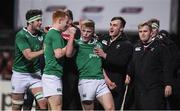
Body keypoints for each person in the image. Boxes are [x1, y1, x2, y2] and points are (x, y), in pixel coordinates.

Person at [66, 19, 115, 111]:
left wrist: (107, 80)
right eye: (83, 31)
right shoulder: (77, 43)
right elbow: (68, 54)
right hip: (86, 81)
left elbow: (99, 64)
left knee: (111, 108)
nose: (85, 34)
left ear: (93, 32)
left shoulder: (98, 45)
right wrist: (72, 35)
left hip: (100, 81)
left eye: (88, 32)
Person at [126, 22, 173, 109]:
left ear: (151, 33)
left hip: (155, 89)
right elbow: (132, 63)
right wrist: (128, 74)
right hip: (139, 89)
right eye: (140, 31)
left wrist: (168, 84)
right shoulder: (136, 47)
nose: (142, 34)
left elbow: (167, 67)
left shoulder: (161, 47)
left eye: (145, 31)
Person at [11, 9, 47, 110]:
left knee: (44, 103)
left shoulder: (41, 34)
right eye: (38, 20)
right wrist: (43, 51)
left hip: (35, 75)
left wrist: (50, 32)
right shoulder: (21, 35)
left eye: (41, 20)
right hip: (20, 75)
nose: (41, 22)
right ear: (30, 22)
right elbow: (29, 56)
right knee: (17, 106)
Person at [95, 16, 133, 110]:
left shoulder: (126, 44)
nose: (111, 27)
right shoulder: (103, 39)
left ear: (121, 28)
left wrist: (105, 55)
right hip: (100, 80)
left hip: (115, 83)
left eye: (115, 25)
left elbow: (122, 62)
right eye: (110, 25)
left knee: (113, 108)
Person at [42, 9, 70, 110]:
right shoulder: (55, 34)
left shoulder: (52, 33)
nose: (67, 25)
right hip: (52, 75)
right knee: (57, 107)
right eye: (66, 22)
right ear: (59, 20)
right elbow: (58, 54)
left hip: (51, 75)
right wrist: (71, 42)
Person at [61, 9, 82, 110]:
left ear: (70, 19)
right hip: (58, 69)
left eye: (65, 16)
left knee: (70, 98)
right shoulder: (57, 30)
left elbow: (71, 53)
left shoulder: (76, 31)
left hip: (71, 69)